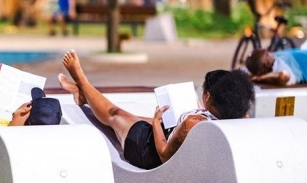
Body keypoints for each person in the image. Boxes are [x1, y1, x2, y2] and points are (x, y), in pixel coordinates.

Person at [57, 50, 255, 170]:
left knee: (114, 114)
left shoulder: (192, 123)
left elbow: (164, 155)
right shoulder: (239, 119)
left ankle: (81, 80)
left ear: (208, 97)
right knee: (130, 115)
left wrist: (155, 122)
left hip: (145, 150)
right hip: (166, 137)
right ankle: (84, 95)